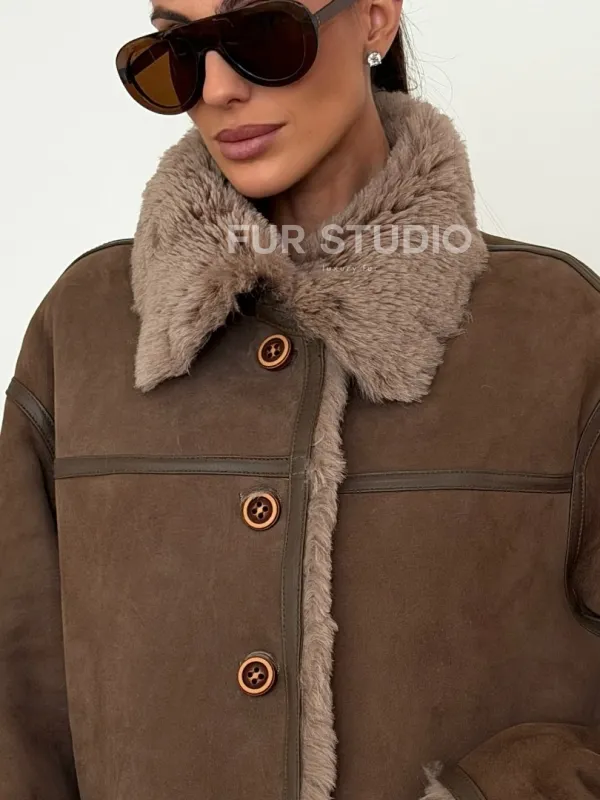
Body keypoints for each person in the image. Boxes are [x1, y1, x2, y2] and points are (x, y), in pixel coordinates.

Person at [1, 0, 600, 797]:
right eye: (179, 50)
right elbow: (17, 713)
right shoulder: (84, 330)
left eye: (262, 34)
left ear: (376, 19)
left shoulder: (560, 332)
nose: (218, 88)